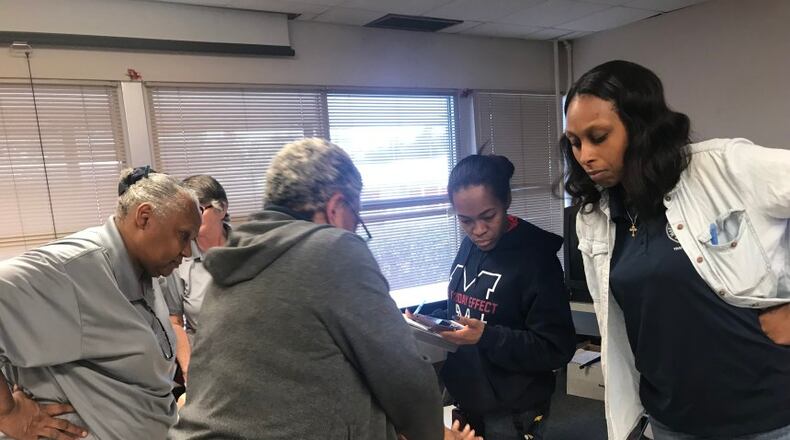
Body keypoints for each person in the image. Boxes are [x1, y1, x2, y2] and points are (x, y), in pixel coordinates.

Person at [170, 138, 480, 440]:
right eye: (355, 218)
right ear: (336, 207)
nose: (355, 230)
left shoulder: (236, 258)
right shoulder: (332, 248)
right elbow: (403, 375)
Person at [562, 60, 790, 440]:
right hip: (671, 419)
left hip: (765, 416)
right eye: (574, 142)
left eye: (598, 137)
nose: (584, 155)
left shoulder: (722, 167)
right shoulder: (596, 216)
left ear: (641, 127)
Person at [0, 166, 201, 439]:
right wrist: (9, 414)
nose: (188, 251)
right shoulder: (75, 270)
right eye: (184, 236)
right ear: (144, 218)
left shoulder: (148, 270)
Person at [422, 154, 576, 440]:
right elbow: (466, 309)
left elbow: (557, 348)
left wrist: (487, 336)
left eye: (488, 217)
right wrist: (429, 323)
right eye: (465, 220)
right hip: (466, 396)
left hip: (512, 411)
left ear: (506, 201)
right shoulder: (470, 246)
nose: (478, 231)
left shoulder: (537, 260)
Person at [158, 174, 230, 387]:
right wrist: (189, 370)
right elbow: (175, 322)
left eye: (198, 209)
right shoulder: (177, 259)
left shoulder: (250, 247)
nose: (190, 219)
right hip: (205, 359)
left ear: (222, 209)